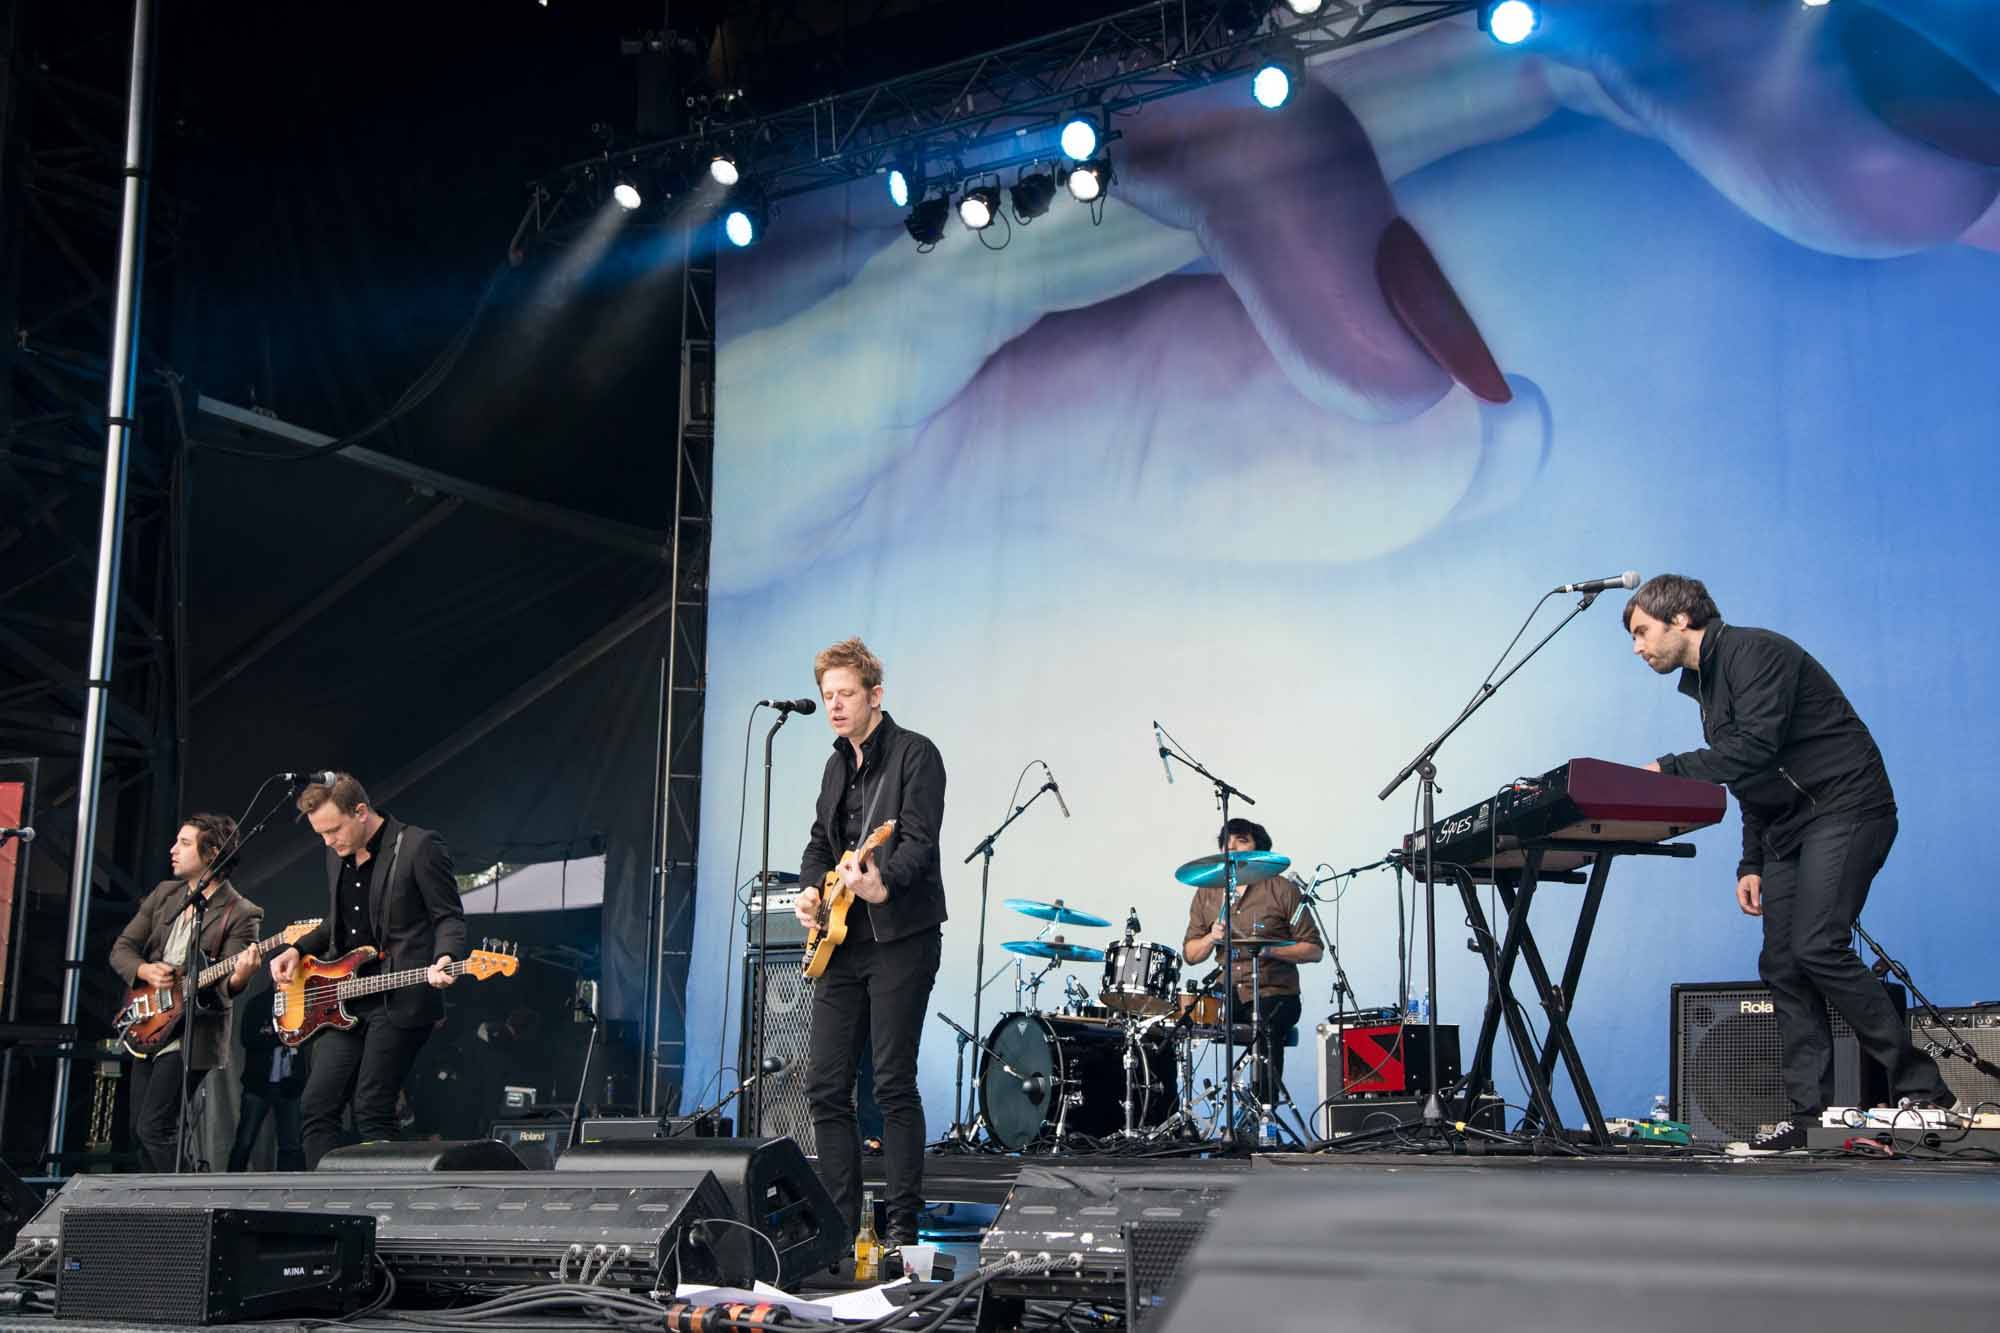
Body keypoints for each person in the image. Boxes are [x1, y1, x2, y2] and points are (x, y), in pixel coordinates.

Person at [1626, 574, 1954, 1154]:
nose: (1637, 648)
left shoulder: (1756, 652)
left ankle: (1924, 1091)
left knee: (1819, 945)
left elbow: (1755, 747)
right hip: (1785, 830)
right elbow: (1750, 775)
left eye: (1641, 631)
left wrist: (1668, 768)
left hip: (1847, 806)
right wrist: (1749, 861)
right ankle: (1810, 1116)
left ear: (1679, 618)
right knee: (1782, 964)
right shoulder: (1706, 686)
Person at [789, 638, 946, 1250]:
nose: (834, 705)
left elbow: (918, 843)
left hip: (900, 937)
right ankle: (834, 1227)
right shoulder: (835, 767)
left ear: (875, 696)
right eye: (828, 695)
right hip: (841, 941)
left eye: (845, 694)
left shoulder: (915, 755)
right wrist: (808, 891)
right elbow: (817, 845)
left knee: (891, 1081)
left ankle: (903, 1225)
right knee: (825, 1084)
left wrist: (884, 885)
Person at [267, 773, 467, 1168]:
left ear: (361, 812)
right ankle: (326, 1206)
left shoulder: (417, 846)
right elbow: (334, 924)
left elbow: (449, 917)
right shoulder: (335, 854)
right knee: (316, 1105)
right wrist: (296, 948)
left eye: (334, 830)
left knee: (372, 1108)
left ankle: (383, 1210)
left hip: (400, 997)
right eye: (320, 834)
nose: (328, 841)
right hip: (347, 999)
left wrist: (446, 956)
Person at [110, 813, 264, 1171]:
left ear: (211, 853)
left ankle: (186, 1200)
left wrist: (240, 976)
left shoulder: (241, 912)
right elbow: (122, 949)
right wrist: (145, 969)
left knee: (155, 1127)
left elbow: (227, 986)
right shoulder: (165, 894)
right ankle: (159, 1210)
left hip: (192, 1032)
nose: (172, 850)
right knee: (138, 1129)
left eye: (183, 843)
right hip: (151, 1019)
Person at [1181, 818, 1323, 1122]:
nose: (1231, 847)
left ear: (1258, 847)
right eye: (1226, 842)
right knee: (1176, 1025)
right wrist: (1210, 938)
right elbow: (1190, 954)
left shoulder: (1281, 889)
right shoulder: (1207, 892)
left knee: (1266, 1027)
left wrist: (1268, 949)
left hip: (1275, 992)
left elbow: (1314, 949)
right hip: (1227, 991)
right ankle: (1181, 1116)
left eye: (1241, 840)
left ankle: (1263, 1117)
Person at [227, 977, 307, 1171]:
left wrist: (274, 1034)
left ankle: (289, 1191)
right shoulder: (259, 1003)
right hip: (259, 1083)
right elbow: (247, 1038)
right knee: (245, 1141)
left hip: (290, 1085)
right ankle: (230, 1186)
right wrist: (281, 1037)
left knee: (291, 1144)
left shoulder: (302, 1002)